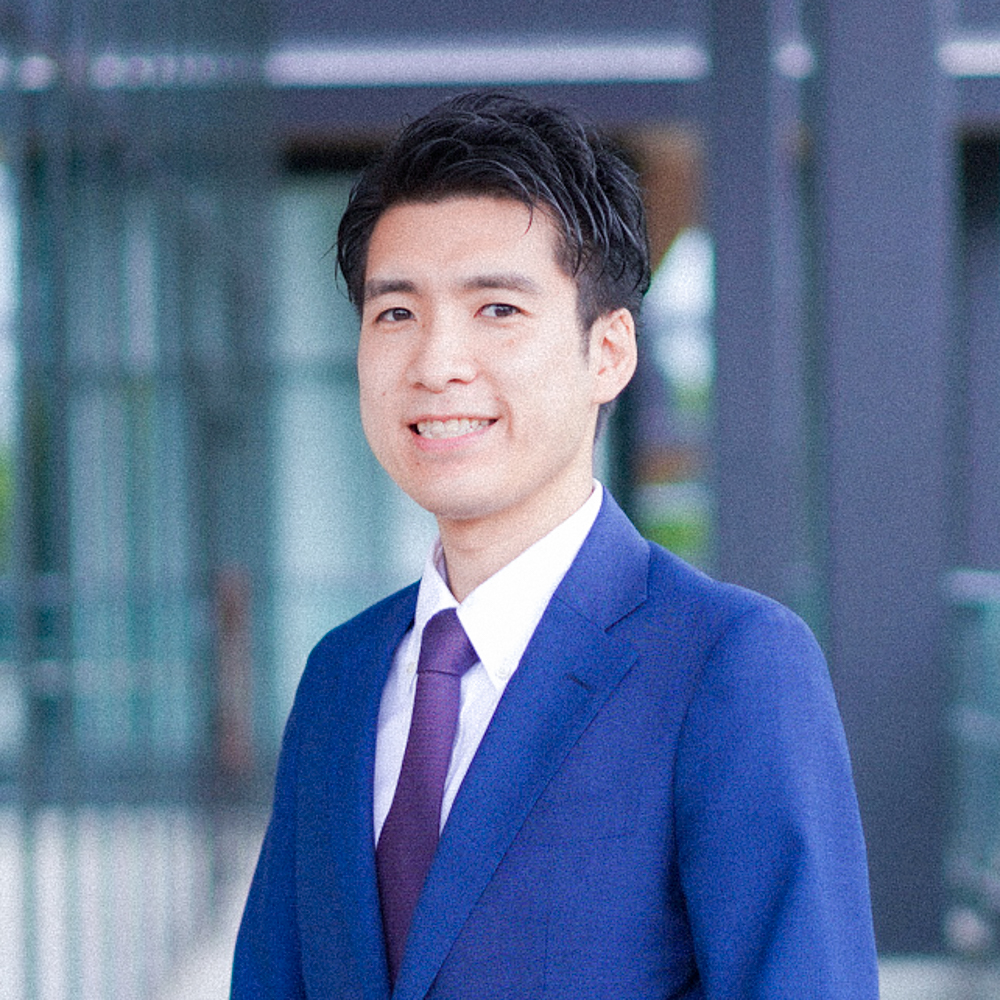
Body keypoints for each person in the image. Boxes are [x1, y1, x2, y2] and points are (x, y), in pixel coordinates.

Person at [231, 91, 878, 999]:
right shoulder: (340, 676)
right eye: (396, 314)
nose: (437, 363)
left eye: (497, 309)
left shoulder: (729, 666)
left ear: (608, 353)